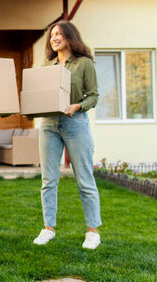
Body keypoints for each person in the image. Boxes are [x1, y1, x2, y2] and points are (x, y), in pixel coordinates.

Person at [33, 20, 102, 250]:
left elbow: (93, 96)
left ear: (70, 37)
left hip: (75, 124)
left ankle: (92, 232)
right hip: (49, 124)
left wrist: (77, 106)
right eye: (52, 35)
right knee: (48, 180)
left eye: (59, 34)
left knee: (84, 179)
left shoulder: (84, 64)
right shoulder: (47, 64)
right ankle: (48, 229)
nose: (54, 38)